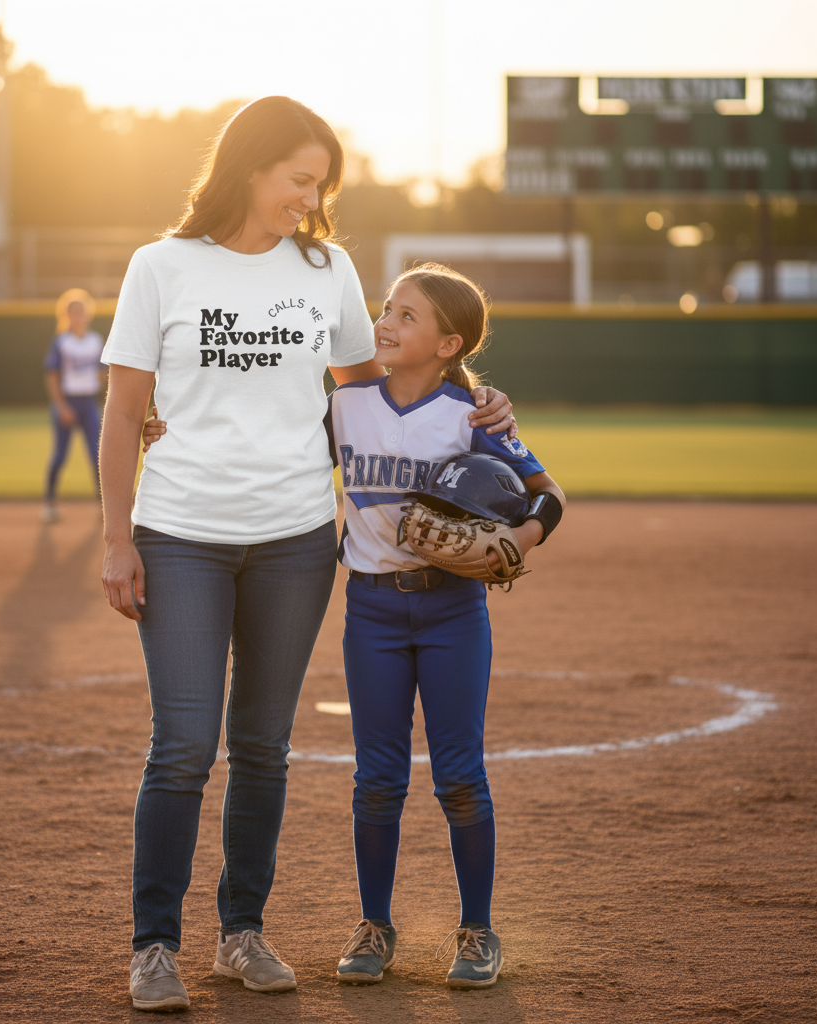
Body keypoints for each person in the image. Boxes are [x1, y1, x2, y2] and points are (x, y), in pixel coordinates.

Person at [98, 96, 517, 1013]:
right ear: (250, 167)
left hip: (294, 539)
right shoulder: (161, 266)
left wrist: (479, 400)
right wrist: (116, 538)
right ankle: (154, 948)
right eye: (299, 178)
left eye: (320, 185)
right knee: (183, 744)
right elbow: (124, 412)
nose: (310, 199)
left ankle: (240, 934)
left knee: (263, 745)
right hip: (181, 533)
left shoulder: (326, 270)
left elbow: (378, 391)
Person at [326, 264, 566, 989]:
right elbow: (265, 444)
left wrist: (517, 540)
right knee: (377, 777)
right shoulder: (343, 404)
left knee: (460, 774)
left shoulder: (472, 415)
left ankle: (477, 930)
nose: (386, 323)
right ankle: (374, 925)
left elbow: (547, 494)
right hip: (370, 607)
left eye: (407, 316)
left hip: (452, 610)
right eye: (387, 309)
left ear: (448, 343)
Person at [42, 288, 106, 522]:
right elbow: (52, 376)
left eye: (81, 312)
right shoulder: (61, 342)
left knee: (97, 457)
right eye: (73, 312)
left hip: (88, 403)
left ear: (88, 314)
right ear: (66, 315)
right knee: (60, 456)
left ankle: (104, 507)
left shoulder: (95, 341)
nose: (78, 316)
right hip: (68, 402)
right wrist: (62, 407)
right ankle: (49, 504)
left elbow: (103, 373)